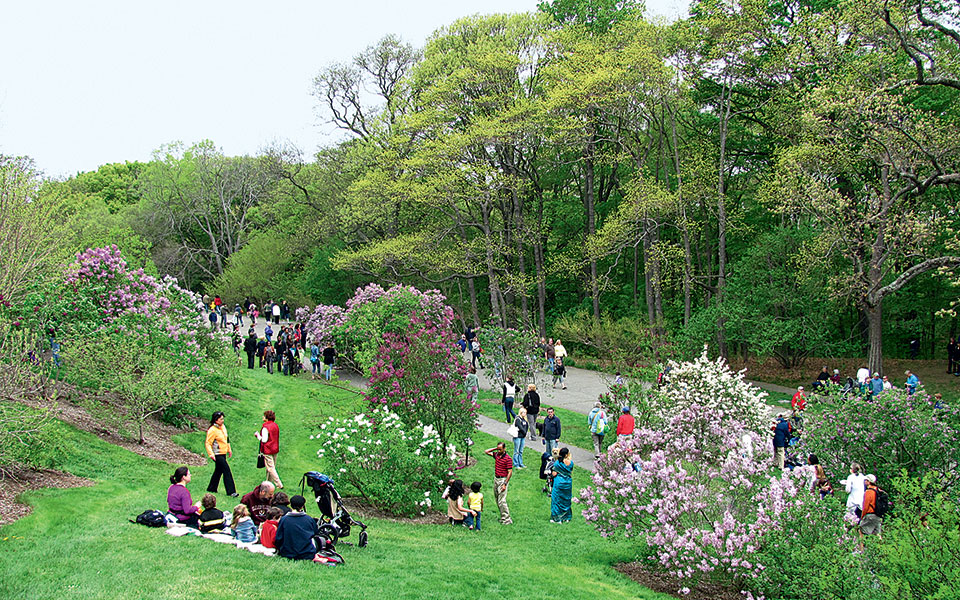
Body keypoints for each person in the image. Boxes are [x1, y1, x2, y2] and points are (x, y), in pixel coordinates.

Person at [275, 495, 320, 560]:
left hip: (287, 553)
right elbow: (316, 534)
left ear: (291, 504)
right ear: (302, 506)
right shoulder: (309, 519)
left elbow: (278, 538)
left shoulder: (284, 519)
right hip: (307, 553)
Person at [205, 411, 237, 497]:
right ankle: (231, 491)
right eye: (221, 419)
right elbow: (208, 443)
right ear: (216, 420)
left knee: (218, 471)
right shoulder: (212, 430)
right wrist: (211, 454)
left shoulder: (223, 427)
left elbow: (227, 439)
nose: (223, 420)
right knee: (226, 470)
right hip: (217, 454)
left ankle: (212, 488)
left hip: (223, 453)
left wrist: (229, 449)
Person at [484, 442, 513, 525]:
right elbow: (486, 451)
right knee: (497, 499)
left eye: (500, 449)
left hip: (502, 479)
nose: (499, 450)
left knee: (502, 500)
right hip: (496, 479)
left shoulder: (508, 459)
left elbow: (510, 472)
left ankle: (507, 519)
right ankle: (503, 517)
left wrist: (505, 484)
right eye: (498, 449)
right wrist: (495, 449)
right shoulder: (496, 455)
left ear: (504, 449)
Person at [255, 410, 282, 489]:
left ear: (266, 418)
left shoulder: (265, 427)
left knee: (270, 467)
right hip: (275, 448)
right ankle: (268, 483)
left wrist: (257, 436)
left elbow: (264, 440)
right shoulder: (275, 425)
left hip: (268, 449)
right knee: (270, 467)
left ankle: (279, 484)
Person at [550, 447, 574, 523]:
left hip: (559, 483)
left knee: (556, 500)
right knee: (566, 499)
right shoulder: (571, 463)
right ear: (566, 455)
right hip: (568, 483)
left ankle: (556, 518)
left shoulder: (557, 463)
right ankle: (567, 517)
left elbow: (554, 473)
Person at [859, 474, 883, 543]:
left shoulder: (868, 492)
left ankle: (862, 551)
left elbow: (865, 506)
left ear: (869, 481)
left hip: (870, 515)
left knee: (861, 530)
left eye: (865, 480)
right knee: (877, 534)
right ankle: (883, 550)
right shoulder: (878, 490)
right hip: (878, 515)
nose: (864, 481)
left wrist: (862, 517)